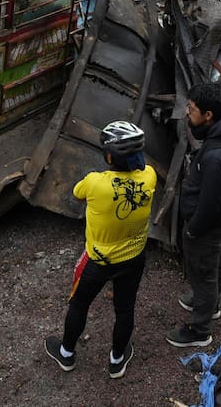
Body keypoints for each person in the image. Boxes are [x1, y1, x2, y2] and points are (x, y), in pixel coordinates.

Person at [45, 121, 157, 379]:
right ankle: (117, 360)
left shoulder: (95, 183)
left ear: (109, 156)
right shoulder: (149, 176)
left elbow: (76, 194)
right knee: (125, 308)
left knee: (79, 305)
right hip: (133, 258)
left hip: (98, 261)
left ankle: (66, 354)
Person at [166, 82, 221, 348]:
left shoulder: (217, 157)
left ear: (208, 115)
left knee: (203, 272)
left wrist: (192, 229)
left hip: (206, 225)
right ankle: (211, 304)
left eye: (191, 108)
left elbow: (210, 204)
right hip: (219, 222)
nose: (187, 113)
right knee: (214, 261)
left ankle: (200, 330)